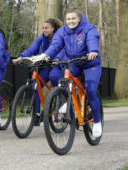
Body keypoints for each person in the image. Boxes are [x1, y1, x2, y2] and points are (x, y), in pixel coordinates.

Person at [36, 8, 102, 137]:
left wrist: (93, 51)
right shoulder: (62, 31)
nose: (70, 21)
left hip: (90, 63)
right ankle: (68, 102)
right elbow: (55, 46)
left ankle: (97, 122)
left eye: (73, 18)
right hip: (74, 62)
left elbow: (92, 39)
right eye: (68, 19)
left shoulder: (89, 29)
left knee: (90, 89)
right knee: (64, 78)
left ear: (79, 19)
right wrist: (44, 56)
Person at [12, 18, 66, 126]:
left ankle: (60, 99)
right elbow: (31, 49)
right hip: (45, 66)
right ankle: (36, 115)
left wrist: (57, 60)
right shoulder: (41, 39)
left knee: (54, 77)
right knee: (36, 86)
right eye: (43, 28)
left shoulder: (59, 38)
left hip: (56, 65)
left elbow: (62, 50)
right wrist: (21, 57)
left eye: (46, 28)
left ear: (53, 29)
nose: (44, 30)